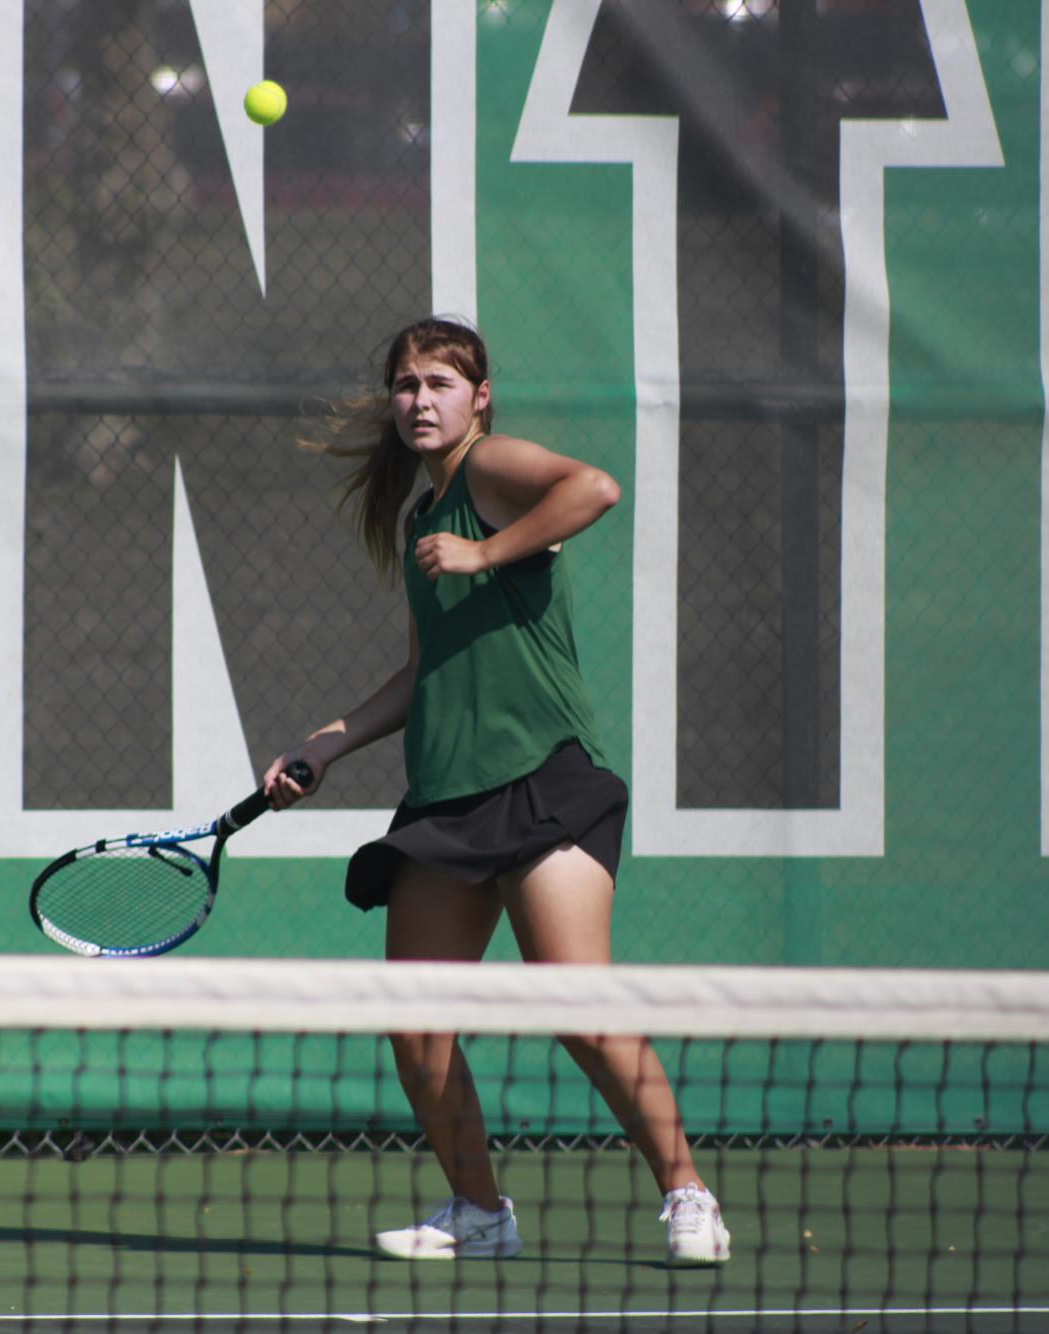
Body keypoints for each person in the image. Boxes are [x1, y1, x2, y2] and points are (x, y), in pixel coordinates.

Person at [261, 316, 728, 1266]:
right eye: (404, 384)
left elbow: (592, 487)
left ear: (480, 398)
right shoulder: (419, 520)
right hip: (444, 800)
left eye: (438, 382)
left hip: (543, 783)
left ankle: (687, 1195)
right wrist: (328, 745)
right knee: (418, 1026)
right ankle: (479, 1212)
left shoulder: (487, 470)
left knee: (580, 1011)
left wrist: (486, 551)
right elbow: (424, 670)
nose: (417, 399)